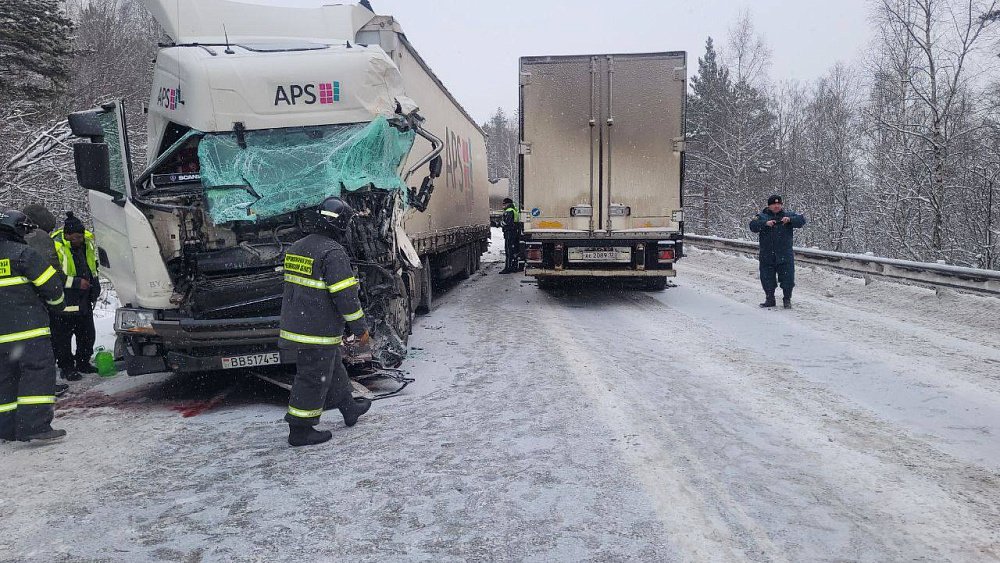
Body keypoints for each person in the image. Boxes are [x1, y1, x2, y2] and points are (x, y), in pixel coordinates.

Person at [279, 197, 373, 447]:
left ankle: (349, 408)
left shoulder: (297, 246)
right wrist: (360, 330)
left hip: (299, 325)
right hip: (316, 331)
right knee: (312, 378)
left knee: (331, 368)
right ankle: (300, 430)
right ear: (341, 225)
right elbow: (346, 298)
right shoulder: (333, 253)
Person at [0, 209, 67, 443]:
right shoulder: (24, 254)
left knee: (4, 380)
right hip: (29, 333)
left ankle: (6, 430)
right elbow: (54, 289)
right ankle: (34, 427)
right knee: (37, 375)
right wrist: (58, 307)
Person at [21, 204, 70, 396]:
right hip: (38, 302)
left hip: (16, 305)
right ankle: (45, 387)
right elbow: (51, 274)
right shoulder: (40, 237)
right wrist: (59, 300)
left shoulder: (14, 238)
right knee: (44, 346)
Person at [50, 212, 101, 380]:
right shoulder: (56, 246)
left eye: (80, 237)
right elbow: (55, 275)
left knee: (87, 333)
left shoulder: (87, 243)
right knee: (63, 335)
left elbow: (92, 265)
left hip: (84, 296)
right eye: (74, 238)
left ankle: (83, 362)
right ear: (66, 235)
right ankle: (67, 367)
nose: (78, 240)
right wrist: (77, 283)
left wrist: (95, 284)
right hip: (66, 297)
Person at [749, 195, 807, 309]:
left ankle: (787, 299)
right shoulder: (761, 216)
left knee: (788, 278)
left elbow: (802, 220)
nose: (776, 206)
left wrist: (790, 220)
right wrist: (765, 224)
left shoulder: (788, 215)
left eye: (779, 204)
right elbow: (752, 226)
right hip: (767, 254)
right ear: (769, 205)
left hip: (784, 254)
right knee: (767, 277)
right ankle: (770, 298)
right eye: (774, 204)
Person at [498, 197, 521, 274]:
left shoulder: (509, 211)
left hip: (509, 233)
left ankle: (507, 268)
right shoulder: (515, 211)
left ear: (508, 204)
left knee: (508, 251)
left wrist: (500, 223)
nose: (503, 206)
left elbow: (507, 223)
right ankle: (514, 267)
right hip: (514, 233)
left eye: (504, 204)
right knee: (514, 250)